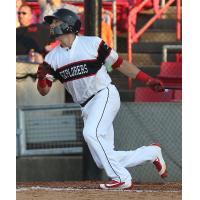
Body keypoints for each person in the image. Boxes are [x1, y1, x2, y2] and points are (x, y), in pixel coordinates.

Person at [36, 8, 167, 190]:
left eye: (55, 22)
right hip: (86, 106)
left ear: (68, 23)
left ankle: (122, 178)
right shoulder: (51, 58)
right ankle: (151, 153)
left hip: (104, 95)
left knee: (91, 134)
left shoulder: (93, 43)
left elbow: (120, 64)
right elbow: (43, 91)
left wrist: (148, 79)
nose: (52, 25)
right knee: (102, 158)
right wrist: (42, 78)